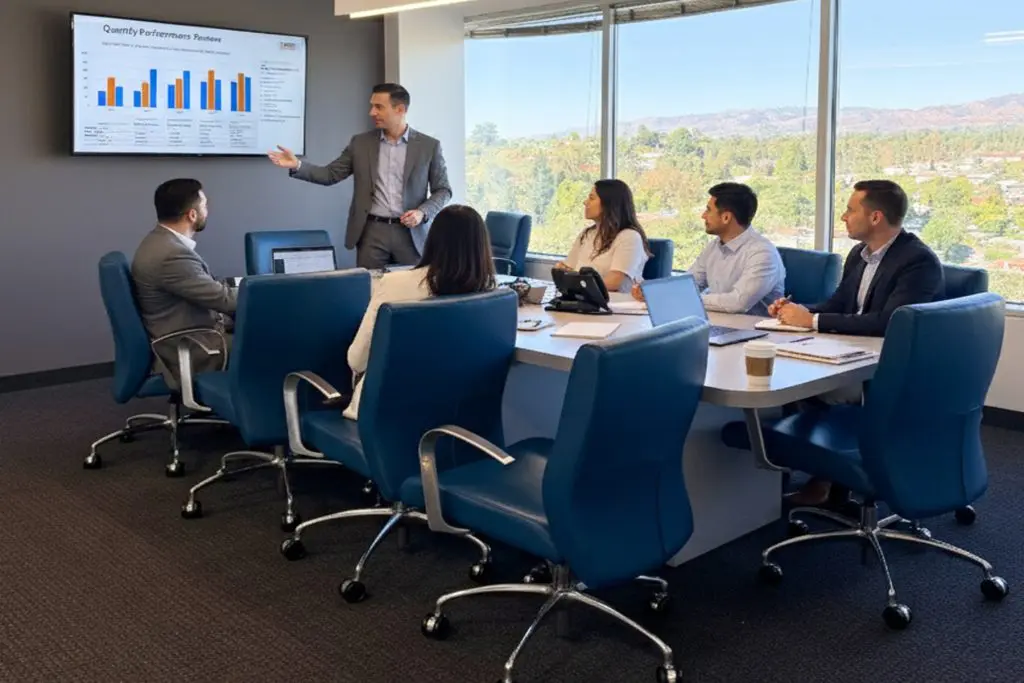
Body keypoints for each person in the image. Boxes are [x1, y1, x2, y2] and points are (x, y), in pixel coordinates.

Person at [769, 179, 944, 506]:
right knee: (792, 373)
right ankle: (820, 475)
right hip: (856, 356)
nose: (843, 217)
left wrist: (814, 322)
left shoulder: (917, 261)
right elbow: (838, 304)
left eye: (850, 209)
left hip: (892, 372)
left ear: (875, 217)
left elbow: (889, 322)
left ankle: (829, 476)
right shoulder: (860, 254)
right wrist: (801, 311)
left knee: (803, 386)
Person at [268, 83, 451, 270]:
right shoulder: (360, 143)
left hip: (412, 234)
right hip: (371, 233)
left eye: (379, 107)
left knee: (411, 294)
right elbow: (330, 174)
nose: (372, 112)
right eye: (372, 106)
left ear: (400, 109)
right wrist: (297, 165)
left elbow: (443, 190)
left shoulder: (429, 146)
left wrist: (422, 212)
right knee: (370, 292)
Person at [343, 204, 497, 420]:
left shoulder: (395, 284)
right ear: (482, 246)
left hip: (385, 418)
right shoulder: (493, 297)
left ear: (432, 240)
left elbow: (357, 359)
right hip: (451, 422)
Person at [131, 179, 236, 387]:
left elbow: (209, 287)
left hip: (189, 331)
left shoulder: (160, 241)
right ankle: (274, 410)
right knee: (278, 340)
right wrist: (273, 294)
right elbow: (226, 302)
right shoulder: (170, 255)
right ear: (192, 214)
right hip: (192, 348)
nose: (208, 210)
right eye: (205, 205)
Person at [632, 182, 784, 316]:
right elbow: (689, 284)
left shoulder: (763, 253)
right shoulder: (714, 246)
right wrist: (654, 291)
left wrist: (684, 297)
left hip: (755, 335)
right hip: (718, 323)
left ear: (726, 217)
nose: (703, 216)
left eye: (708, 210)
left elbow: (737, 302)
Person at [556, 179, 651, 293]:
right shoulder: (586, 234)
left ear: (608, 203)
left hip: (615, 305)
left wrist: (577, 283)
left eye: (592, 198)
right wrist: (561, 271)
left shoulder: (629, 237)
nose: (585, 202)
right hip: (584, 300)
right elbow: (569, 269)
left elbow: (614, 282)